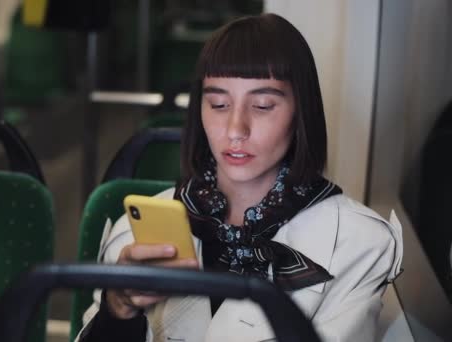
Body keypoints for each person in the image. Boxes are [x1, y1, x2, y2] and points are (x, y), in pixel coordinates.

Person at [76, 13, 403, 342]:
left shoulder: (360, 245)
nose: (235, 130)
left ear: (301, 113)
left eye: (262, 106)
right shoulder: (135, 231)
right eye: (218, 104)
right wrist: (118, 308)